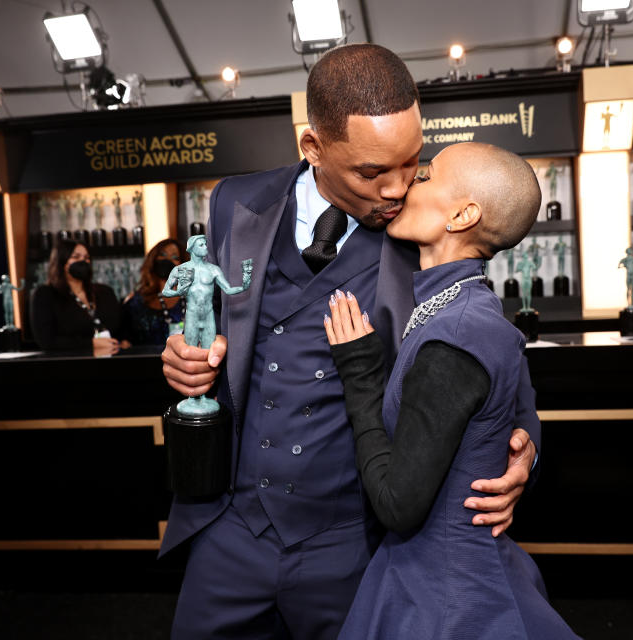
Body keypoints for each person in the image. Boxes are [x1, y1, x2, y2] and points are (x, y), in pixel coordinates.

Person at [159, 44, 541, 639]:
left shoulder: (425, 232)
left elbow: (491, 360)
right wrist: (186, 354)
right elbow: (211, 320)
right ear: (313, 147)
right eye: (371, 172)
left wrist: (524, 453)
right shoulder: (236, 202)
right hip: (231, 528)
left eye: (413, 163)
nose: (397, 190)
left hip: (353, 543)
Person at [324, 142, 579, 638]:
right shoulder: (463, 309)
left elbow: (398, 505)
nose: (404, 186)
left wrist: (358, 372)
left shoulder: (458, 329)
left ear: (463, 214)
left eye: (425, 177)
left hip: (447, 601)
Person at [30, 239, 127, 356]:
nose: (83, 261)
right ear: (61, 262)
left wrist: (124, 342)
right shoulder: (45, 294)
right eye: (76, 257)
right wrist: (91, 343)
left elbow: (121, 327)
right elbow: (47, 341)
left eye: (86, 258)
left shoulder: (105, 292)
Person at [122, 238, 187, 345]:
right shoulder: (136, 302)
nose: (167, 260)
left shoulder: (194, 298)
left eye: (175, 257)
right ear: (153, 259)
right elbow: (124, 340)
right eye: (162, 255)